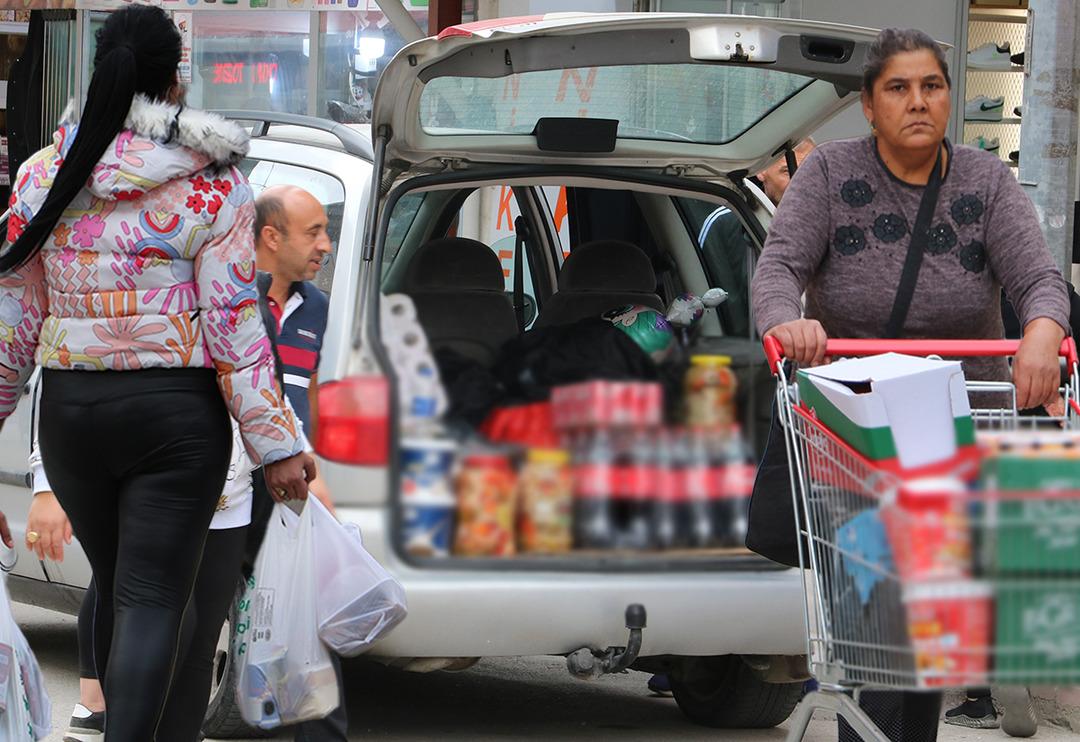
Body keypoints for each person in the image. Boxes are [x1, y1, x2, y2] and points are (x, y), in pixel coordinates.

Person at [748, 27, 1070, 742]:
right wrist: (786, 324)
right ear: (868, 105)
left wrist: (1043, 330)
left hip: (956, 435)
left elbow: (1039, 278)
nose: (917, 102)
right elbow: (778, 269)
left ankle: (969, 666)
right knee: (887, 629)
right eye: (898, 88)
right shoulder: (830, 174)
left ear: (950, 98)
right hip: (857, 432)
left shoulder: (987, 183)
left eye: (932, 86)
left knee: (907, 633)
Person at [0, 6, 314, 739]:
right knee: (151, 601)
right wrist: (276, 447)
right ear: (176, 80)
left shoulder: (45, 173)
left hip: (74, 418)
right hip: (177, 421)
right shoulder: (213, 185)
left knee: (118, 588)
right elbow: (238, 331)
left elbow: (12, 327)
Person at [253, 185, 345, 741]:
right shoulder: (231, 299)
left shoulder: (316, 305)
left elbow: (301, 394)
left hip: (292, 484)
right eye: (314, 231)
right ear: (271, 236)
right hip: (233, 489)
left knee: (310, 622)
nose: (326, 246)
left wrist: (318, 476)